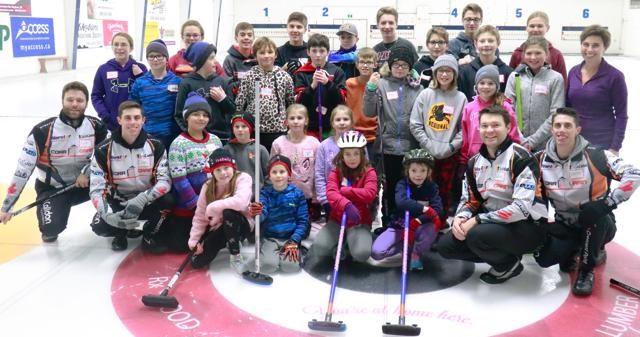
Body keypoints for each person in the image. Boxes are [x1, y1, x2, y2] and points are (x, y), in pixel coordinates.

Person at [534, 108, 640, 296]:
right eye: (558, 125)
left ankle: (586, 269)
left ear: (578, 130)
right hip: (565, 223)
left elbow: (634, 174)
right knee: (544, 259)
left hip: (598, 221)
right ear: (551, 130)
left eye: (568, 125)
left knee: (594, 216)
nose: (562, 130)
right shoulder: (540, 159)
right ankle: (578, 248)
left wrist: (608, 203)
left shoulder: (596, 155)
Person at [437, 105, 548, 284]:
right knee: (445, 246)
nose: (489, 130)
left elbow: (521, 209)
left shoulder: (521, 157)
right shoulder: (474, 162)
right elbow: (470, 200)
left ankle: (507, 263)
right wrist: (460, 219)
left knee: (477, 235)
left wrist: (478, 220)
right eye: (485, 126)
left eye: (496, 125)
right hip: (492, 224)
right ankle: (501, 254)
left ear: (508, 127)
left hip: (528, 226)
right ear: (478, 128)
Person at [0, 82, 108, 242]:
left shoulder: (96, 126)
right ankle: (55, 213)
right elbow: (22, 170)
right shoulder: (42, 131)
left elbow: (106, 157)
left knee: (115, 185)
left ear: (86, 103)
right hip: (53, 189)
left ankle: (109, 221)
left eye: (79, 100)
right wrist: (6, 206)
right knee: (51, 229)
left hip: (86, 185)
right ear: (62, 101)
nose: (75, 104)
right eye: (70, 100)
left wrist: (87, 172)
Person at [90, 101, 173, 252]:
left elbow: (165, 181)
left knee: (170, 201)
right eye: (128, 118)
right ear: (119, 120)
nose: (133, 122)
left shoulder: (156, 145)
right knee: (100, 226)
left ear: (143, 120)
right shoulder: (103, 150)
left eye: (136, 118)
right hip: (118, 202)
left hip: (146, 200)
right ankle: (120, 232)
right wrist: (107, 215)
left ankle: (149, 234)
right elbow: (96, 190)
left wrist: (142, 199)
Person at [364, 45, 421, 218]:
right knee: (390, 187)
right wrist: (370, 90)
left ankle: (407, 221)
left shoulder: (417, 88)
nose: (400, 68)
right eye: (396, 65)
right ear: (389, 65)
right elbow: (369, 112)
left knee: (409, 187)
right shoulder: (382, 84)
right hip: (387, 147)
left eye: (404, 65)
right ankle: (389, 221)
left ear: (410, 67)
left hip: (410, 146)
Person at [306, 131, 377, 267]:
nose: (352, 158)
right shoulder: (336, 172)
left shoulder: (369, 172)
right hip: (338, 219)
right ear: (342, 155)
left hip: (359, 221)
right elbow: (331, 193)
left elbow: (369, 193)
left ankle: (354, 241)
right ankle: (341, 239)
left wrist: (345, 191)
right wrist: (346, 205)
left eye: (356, 153)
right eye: (348, 154)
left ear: (362, 154)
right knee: (320, 248)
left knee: (361, 254)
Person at [410, 54, 467, 221]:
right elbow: (415, 124)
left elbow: (463, 130)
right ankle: (422, 222)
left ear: (454, 75)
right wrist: (428, 144)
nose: (444, 75)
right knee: (423, 189)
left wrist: (450, 147)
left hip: (449, 154)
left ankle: (439, 222)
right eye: (441, 71)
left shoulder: (461, 98)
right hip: (426, 153)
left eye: (448, 71)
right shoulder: (425, 94)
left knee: (444, 191)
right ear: (435, 73)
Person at [166, 93, 223, 252]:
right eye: (196, 114)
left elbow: (224, 172)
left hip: (213, 205)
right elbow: (180, 180)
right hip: (189, 207)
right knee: (180, 247)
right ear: (186, 117)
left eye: (205, 115)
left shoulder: (215, 140)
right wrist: (197, 206)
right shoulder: (178, 144)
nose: (201, 118)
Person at [371, 149, 442, 270]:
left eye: (422, 170)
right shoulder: (402, 184)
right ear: (407, 171)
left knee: (431, 231)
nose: (418, 175)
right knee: (377, 253)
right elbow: (401, 203)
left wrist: (420, 219)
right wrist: (424, 208)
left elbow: (438, 210)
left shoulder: (432, 187)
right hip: (400, 225)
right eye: (414, 170)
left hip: (420, 225)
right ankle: (405, 246)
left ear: (428, 172)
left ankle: (416, 252)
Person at [188, 148, 253, 272]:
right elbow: (200, 216)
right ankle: (228, 240)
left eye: (226, 168)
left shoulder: (243, 178)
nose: (223, 173)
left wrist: (213, 207)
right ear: (212, 172)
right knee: (196, 262)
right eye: (218, 170)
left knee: (228, 213)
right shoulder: (207, 186)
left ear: (233, 167)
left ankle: (236, 256)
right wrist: (194, 240)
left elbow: (241, 202)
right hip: (219, 227)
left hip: (242, 224)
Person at [566, 25, 628, 155]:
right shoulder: (573, 72)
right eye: (586, 44)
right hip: (574, 140)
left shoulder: (615, 76)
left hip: (602, 142)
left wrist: (615, 147)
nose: (589, 49)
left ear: (604, 48)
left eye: (595, 45)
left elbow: (621, 115)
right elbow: (567, 106)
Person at [248, 155, 309, 273]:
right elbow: (261, 216)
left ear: (288, 174)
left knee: (290, 268)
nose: (278, 175)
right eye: (274, 172)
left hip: (290, 237)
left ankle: (298, 251)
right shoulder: (265, 194)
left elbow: (303, 221)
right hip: (271, 238)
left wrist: (294, 241)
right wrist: (257, 213)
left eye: (282, 171)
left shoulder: (297, 194)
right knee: (268, 267)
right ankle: (268, 253)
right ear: (269, 176)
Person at [234, 37, 295, 152]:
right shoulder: (249, 76)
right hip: (254, 130)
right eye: (262, 53)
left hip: (278, 130)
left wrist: (290, 126)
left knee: (277, 166)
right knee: (256, 166)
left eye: (270, 52)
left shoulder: (285, 76)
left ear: (275, 55)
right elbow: (239, 104)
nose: (266, 56)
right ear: (255, 55)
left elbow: (291, 103)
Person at [506, 36, 564, 151]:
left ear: (546, 54)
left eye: (538, 53)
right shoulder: (515, 76)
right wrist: (521, 139)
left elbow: (555, 114)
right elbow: (508, 110)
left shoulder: (556, 78)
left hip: (545, 144)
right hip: (517, 141)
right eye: (529, 53)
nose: (533, 57)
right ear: (523, 55)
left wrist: (533, 141)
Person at [315, 105, 368, 228]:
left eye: (345, 119)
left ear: (351, 122)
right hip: (332, 199)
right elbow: (319, 175)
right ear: (332, 123)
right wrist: (325, 200)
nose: (342, 123)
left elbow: (366, 170)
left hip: (354, 199)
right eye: (338, 120)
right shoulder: (324, 146)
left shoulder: (360, 143)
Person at [175, 41, 235, 144]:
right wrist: (190, 133)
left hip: (221, 137)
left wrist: (223, 99)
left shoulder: (222, 82)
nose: (215, 61)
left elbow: (232, 111)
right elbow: (179, 114)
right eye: (211, 58)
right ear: (200, 61)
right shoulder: (186, 83)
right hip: (196, 139)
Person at [461, 64, 521, 167]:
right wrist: (464, 158)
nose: (486, 87)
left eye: (490, 83)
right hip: (474, 158)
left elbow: (513, 133)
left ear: (496, 86)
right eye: (482, 83)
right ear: (476, 85)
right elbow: (465, 135)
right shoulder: (469, 108)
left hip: (501, 159)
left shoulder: (505, 106)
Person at [271, 104, 321, 221]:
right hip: (284, 195)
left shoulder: (314, 143)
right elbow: (271, 171)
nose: (296, 121)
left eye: (299, 118)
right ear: (286, 121)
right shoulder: (278, 143)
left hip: (308, 196)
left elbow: (319, 171)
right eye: (292, 118)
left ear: (306, 121)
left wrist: (316, 196)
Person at [129, 39, 182, 148]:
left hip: (172, 136)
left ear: (166, 58)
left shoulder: (178, 81)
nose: (155, 59)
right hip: (147, 136)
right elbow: (133, 107)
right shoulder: (140, 83)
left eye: (159, 56)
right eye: (151, 56)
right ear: (147, 59)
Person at [294, 33, 347, 140]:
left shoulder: (337, 71)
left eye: (322, 51)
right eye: (314, 51)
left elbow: (341, 99)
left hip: (332, 126)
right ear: (308, 52)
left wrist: (328, 83)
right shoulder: (301, 73)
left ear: (327, 52)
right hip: (309, 126)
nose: (318, 55)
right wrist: (312, 86)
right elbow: (300, 102)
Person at [91, 32, 147, 131]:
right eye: (116, 44)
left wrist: (140, 75)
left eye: (123, 44)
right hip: (111, 123)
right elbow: (96, 96)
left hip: (135, 122)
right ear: (112, 47)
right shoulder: (103, 69)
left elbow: (148, 94)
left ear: (131, 48)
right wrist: (105, 114)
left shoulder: (140, 68)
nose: (119, 48)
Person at [457, 25, 513, 102]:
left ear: (498, 43)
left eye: (490, 41)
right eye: (482, 41)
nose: (486, 44)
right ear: (476, 44)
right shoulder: (465, 72)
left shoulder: (508, 72)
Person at [509, 11, 567, 82]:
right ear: (526, 28)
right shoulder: (517, 54)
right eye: (532, 26)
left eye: (540, 26)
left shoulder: (556, 55)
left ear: (547, 28)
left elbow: (563, 84)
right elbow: (511, 81)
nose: (535, 29)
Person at [223, 112, 269, 198]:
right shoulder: (226, 150)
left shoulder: (261, 149)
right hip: (235, 195)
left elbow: (268, 175)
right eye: (237, 126)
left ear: (250, 128)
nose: (240, 129)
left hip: (259, 195)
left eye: (244, 126)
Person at [345, 47, 378, 160]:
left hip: (375, 136)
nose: (365, 65)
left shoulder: (381, 84)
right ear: (357, 64)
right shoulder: (349, 83)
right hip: (354, 135)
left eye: (369, 62)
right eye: (362, 62)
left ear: (375, 64)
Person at [223, 22, 257, 98]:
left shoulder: (258, 58)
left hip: (256, 102)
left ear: (253, 38)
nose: (246, 37)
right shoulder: (229, 60)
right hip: (236, 103)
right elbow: (227, 85)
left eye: (249, 35)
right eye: (242, 35)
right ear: (236, 38)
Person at [275, 12, 309, 76]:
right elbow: (273, 78)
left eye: (299, 27)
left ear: (305, 30)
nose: (295, 30)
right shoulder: (278, 52)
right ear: (287, 28)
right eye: (291, 26)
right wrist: (283, 69)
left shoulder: (311, 51)